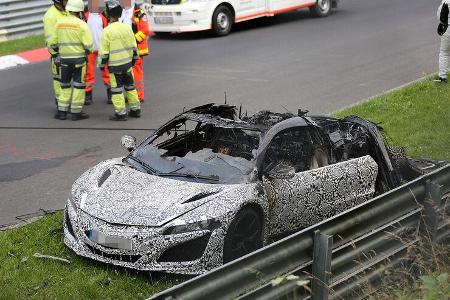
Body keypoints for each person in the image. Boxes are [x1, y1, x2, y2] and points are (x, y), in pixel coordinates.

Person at [50, 0, 93, 121]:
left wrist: (57, 53)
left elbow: (53, 43)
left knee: (64, 86)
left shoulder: (59, 23)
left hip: (64, 61)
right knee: (79, 86)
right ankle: (76, 112)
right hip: (79, 60)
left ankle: (62, 112)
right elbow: (89, 45)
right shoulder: (82, 24)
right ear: (79, 10)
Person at [100, 1, 141, 121]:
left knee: (117, 91)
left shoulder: (107, 31)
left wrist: (102, 65)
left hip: (115, 66)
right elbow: (134, 47)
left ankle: (121, 113)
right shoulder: (126, 27)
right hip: (127, 65)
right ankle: (135, 109)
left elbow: (104, 53)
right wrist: (133, 60)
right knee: (130, 87)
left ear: (109, 14)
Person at [120, 0, 150, 103]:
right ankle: (130, 95)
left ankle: (139, 96)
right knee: (127, 73)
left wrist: (133, 40)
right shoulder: (121, 12)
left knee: (136, 73)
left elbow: (145, 30)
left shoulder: (139, 13)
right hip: (123, 49)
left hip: (136, 49)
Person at [84, 5, 111, 105]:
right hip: (89, 50)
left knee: (107, 72)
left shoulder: (104, 16)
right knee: (88, 73)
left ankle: (111, 93)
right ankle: (88, 95)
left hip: (102, 49)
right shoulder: (85, 16)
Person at [43, 0, 67, 108]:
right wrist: (56, 55)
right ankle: (60, 106)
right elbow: (50, 39)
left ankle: (68, 104)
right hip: (58, 55)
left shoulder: (67, 11)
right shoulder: (50, 16)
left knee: (69, 81)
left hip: (70, 53)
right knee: (59, 81)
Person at [436, 0, 450, 83]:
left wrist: (441, 24)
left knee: (444, 52)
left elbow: (441, 14)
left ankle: (442, 77)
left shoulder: (447, 1)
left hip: (448, 28)